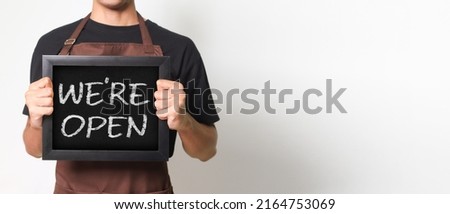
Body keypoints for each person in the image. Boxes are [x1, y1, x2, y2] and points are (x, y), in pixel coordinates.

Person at [22, 0, 219, 194]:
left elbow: (206, 151)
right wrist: (35, 122)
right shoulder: (51, 44)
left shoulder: (179, 47)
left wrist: (185, 122)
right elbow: (34, 149)